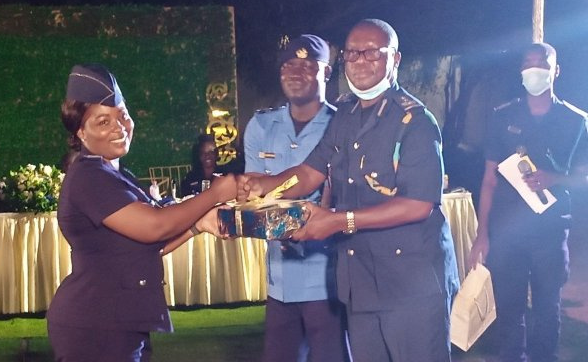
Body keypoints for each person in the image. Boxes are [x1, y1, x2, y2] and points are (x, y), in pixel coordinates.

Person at [238, 19, 459, 362]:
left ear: (395, 59)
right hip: (361, 282)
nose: (359, 61)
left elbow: (418, 205)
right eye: (353, 54)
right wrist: (265, 186)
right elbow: (309, 172)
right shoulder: (344, 115)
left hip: (410, 285)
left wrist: (339, 221)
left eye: (372, 52)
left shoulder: (414, 121)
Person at [46, 64, 236, 362]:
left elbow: (149, 245)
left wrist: (198, 225)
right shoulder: (88, 176)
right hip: (97, 326)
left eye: (122, 114)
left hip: (119, 321)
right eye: (103, 122)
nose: (119, 127)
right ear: (81, 132)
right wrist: (216, 193)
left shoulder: (116, 174)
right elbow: (155, 227)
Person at [469, 43, 588, 362]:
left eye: (542, 63)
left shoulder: (576, 121)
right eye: (528, 62)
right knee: (509, 309)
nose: (534, 69)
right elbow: (489, 179)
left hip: (550, 231)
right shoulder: (502, 116)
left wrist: (555, 179)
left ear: (556, 70)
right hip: (507, 231)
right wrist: (482, 234)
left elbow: (584, 177)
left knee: (549, 309)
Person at [243, 34, 347, 362]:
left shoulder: (342, 125)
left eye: (307, 65)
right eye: (289, 65)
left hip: (327, 278)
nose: (296, 72)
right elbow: (253, 197)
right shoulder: (261, 126)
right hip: (281, 279)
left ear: (326, 72)